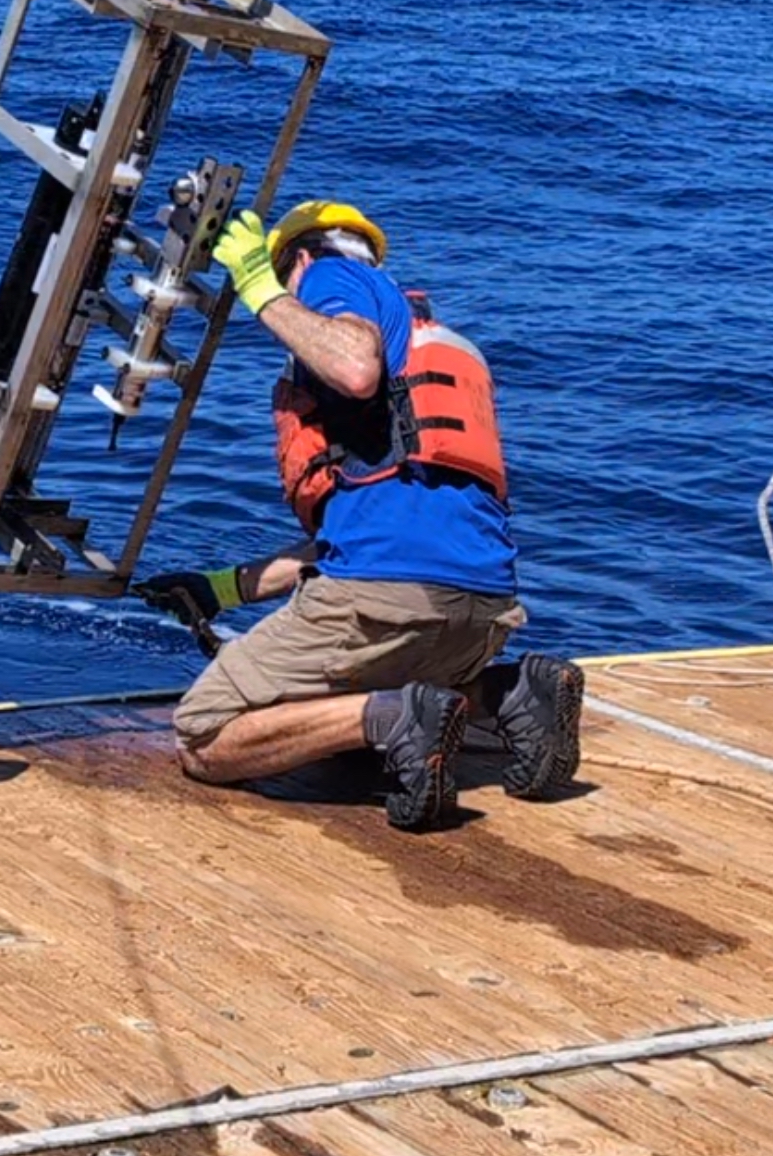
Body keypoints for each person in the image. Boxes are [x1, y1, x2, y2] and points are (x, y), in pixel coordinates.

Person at [135, 199, 581, 831]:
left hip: (388, 602)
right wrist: (222, 589)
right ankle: (508, 694)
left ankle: (397, 718)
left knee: (206, 735)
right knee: (349, 702)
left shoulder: (332, 278)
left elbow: (351, 365)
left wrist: (262, 288)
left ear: (303, 257)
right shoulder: (432, 341)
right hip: (481, 612)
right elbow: (357, 541)